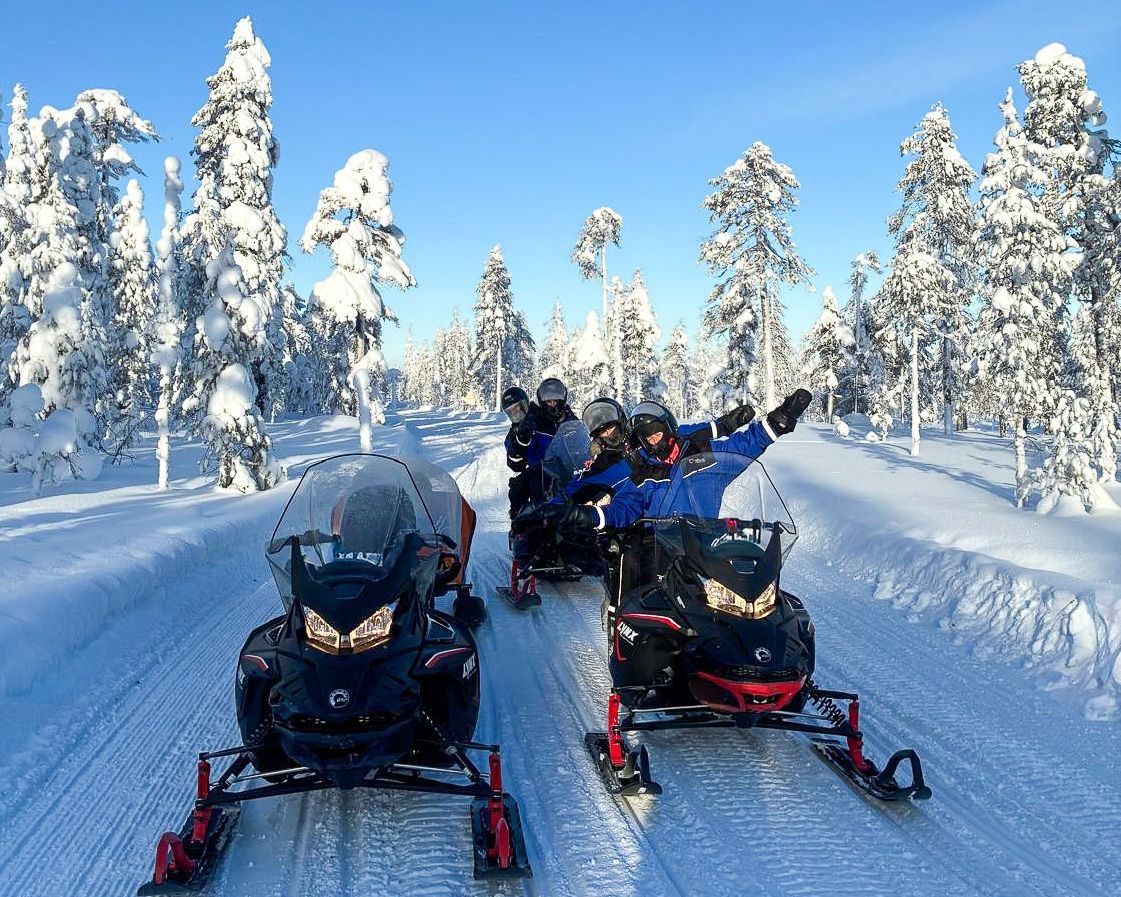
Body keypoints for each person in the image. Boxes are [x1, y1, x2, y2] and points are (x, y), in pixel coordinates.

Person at [560, 389, 813, 533]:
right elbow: (621, 504)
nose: (654, 441)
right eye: (647, 439)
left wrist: (780, 420)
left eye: (658, 433)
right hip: (657, 548)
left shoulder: (704, 456)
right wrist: (587, 514)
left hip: (703, 544)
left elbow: (743, 445)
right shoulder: (639, 473)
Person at [503, 378, 576, 519]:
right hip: (541, 474)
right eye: (549, 402)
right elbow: (515, 463)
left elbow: (582, 444)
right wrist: (522, 439)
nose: (553, 405)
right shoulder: (533, 421)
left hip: (567, 471)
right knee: (522, 488)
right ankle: (523, 528)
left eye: (556, 401)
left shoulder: (571, 420)